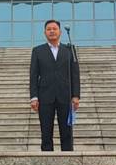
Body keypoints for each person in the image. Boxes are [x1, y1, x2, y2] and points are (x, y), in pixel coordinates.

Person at [29, 19, 81, 151]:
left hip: (65, 95)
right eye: (49, 29)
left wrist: (76, 96)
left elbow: (75, 74)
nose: (52, 31)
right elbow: (33, 75)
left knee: (67, 131)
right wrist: (34, 97)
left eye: (54, 29)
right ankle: (47, 157)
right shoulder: (38, 51)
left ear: (60, 32)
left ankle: (68, 157)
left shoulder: (69, 49)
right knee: (46, 131)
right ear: (45, 33)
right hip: (45, 96)